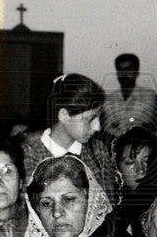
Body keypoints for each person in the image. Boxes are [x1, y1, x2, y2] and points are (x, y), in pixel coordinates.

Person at [21, 73, 117, 204]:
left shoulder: (98, 152)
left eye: (99, 117)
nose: (97, 127)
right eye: (90, 119)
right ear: (64, 115)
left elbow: (109, 205)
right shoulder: (29, 154)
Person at [100, 53, 157, 140]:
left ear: (136, 72)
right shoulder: (109, 100)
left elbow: (154, 126)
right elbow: (107, 128)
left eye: (128, 69)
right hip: (116, 144)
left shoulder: (149, 96)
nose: (124, 74)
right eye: (120, 70)